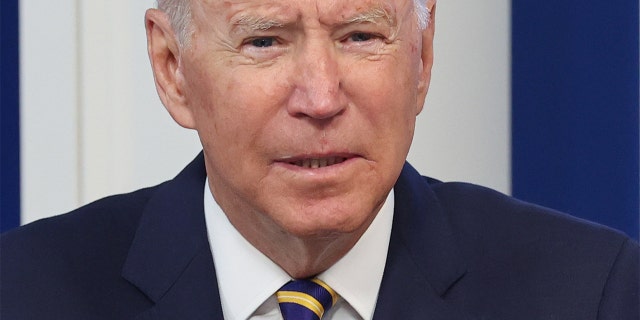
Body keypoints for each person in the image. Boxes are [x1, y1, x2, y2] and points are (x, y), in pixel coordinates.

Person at [1, 0, 638, 319]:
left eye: (360, 35)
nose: (321, 97)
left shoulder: (588, 294)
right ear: (172, 72)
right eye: (265, 41)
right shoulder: (25, 294)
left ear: (422, 57)